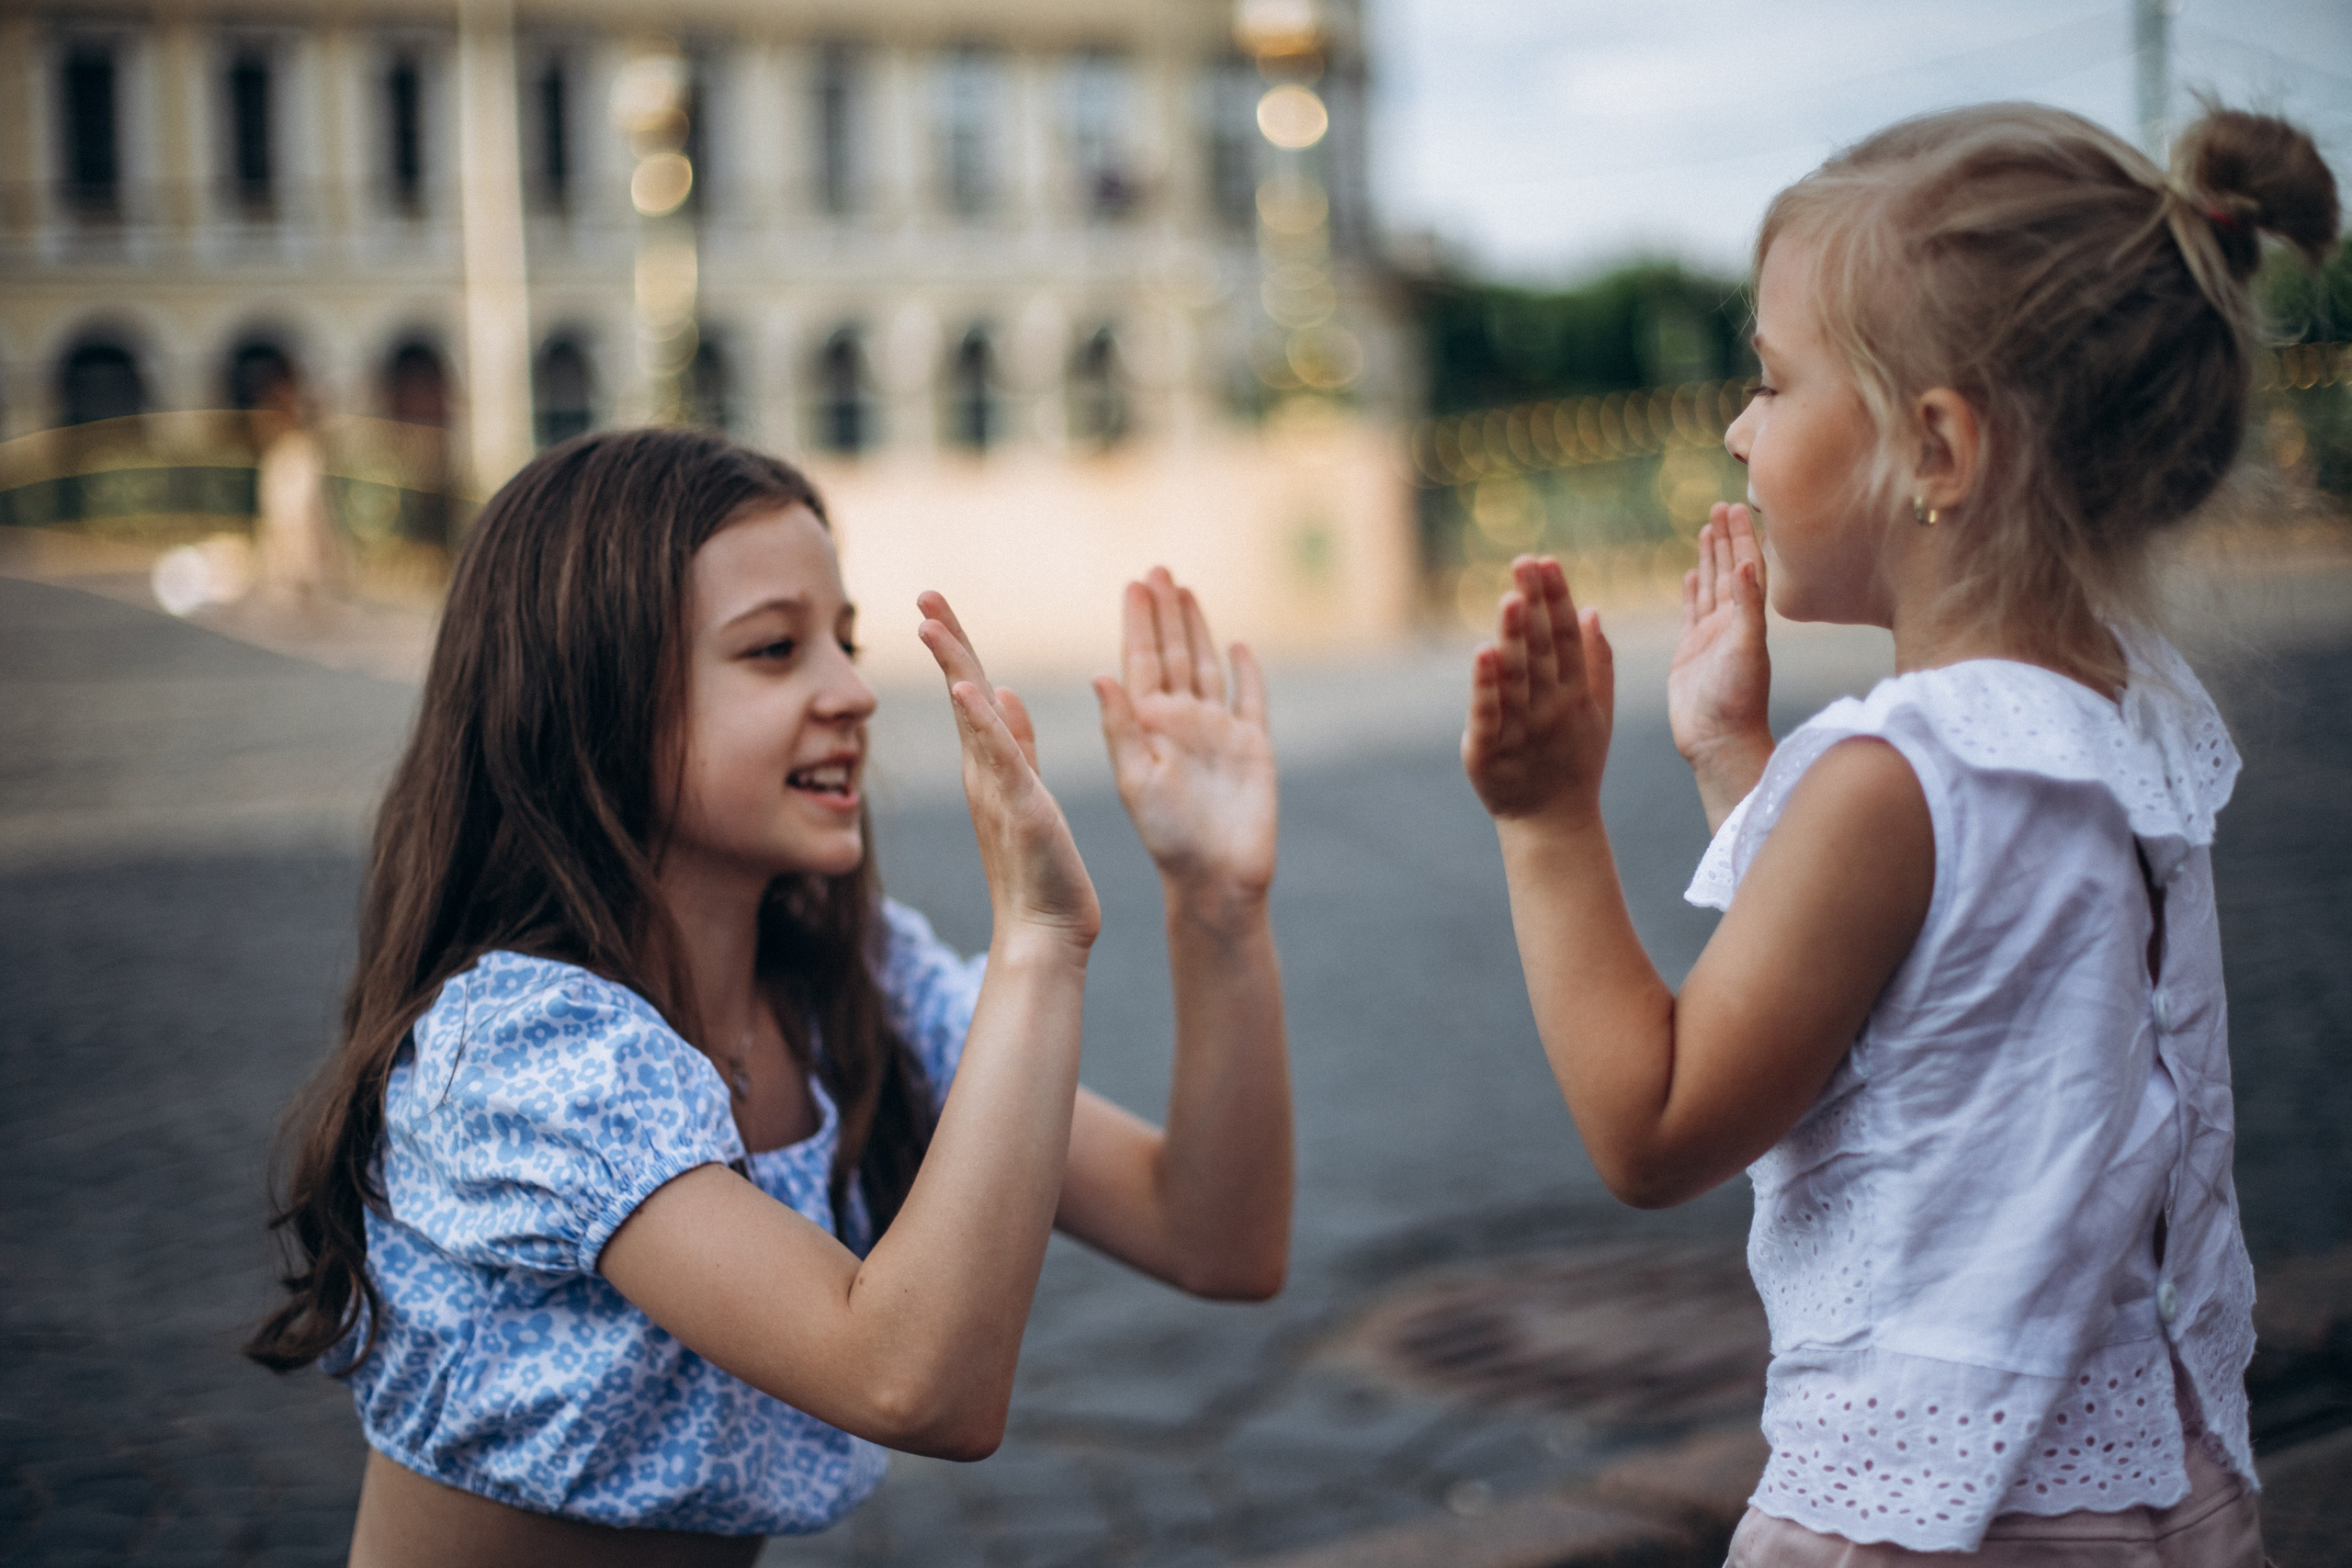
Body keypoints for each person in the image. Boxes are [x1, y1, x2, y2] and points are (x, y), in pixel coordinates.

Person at [1461, 103, 2337, 1564]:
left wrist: (1546, 817)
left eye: (1771, 377)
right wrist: (1739, 756)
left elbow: (1657, 1123)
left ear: (1934, 444)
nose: (1739, 425)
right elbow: (1908, 994)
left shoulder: (1893, 777)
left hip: (1930, 1514)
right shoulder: (2110, 721)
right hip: (2130, 1473)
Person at [244, 428, 1292, 1566]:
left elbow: (1215, 1238)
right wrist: (1038, 942)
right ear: (595, 693)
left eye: (844, 641)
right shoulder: (524, 1049)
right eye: (774, 650)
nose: (852, 692)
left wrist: (1216, 901)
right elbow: (914, 1383)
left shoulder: (857, 988)